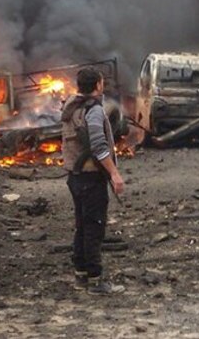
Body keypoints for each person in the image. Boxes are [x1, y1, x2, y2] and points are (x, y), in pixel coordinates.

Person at [61, 67, 125, 295]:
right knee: (94, 228)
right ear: (98, 85)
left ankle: (81, 276)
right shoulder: (94, 111)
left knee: (82, 226)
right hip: (90, 177)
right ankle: (96, 281)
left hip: (75, 177)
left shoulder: (71, 106)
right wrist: (114, 174)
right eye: (101, 82)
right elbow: (98, 145)